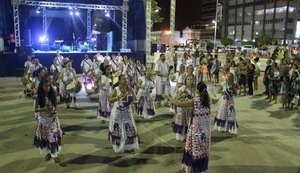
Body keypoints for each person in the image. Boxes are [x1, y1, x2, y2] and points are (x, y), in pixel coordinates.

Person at [163, 81, 218, 173]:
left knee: (194, 149)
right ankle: (201, 169)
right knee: (202, 150)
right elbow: (217, 99)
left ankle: (193, 169)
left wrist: (168, 97)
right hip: (206, 132)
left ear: (197, 90)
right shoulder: (209, 100)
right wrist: (213, 92)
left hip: (196, 131)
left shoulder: (195, 101)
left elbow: (178, 104)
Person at [33, 78, 62, 163]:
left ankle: (55, 154)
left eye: (49, 86)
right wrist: (44, 109)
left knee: (53, 137)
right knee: (45, 138)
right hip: (43, 121)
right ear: (41, 87)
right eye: (45, 86)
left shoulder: (52, 94)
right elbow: (35, 110)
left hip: (52, 120)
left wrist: (55, 112)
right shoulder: (38, 97)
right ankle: (47, 153)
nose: (48, 88)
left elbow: (55, 106)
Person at [108, 75, 139, 153]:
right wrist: (118, 97)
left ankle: (129, 147)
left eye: (126, 79)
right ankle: (118, 145)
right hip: (117, 113)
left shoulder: (130, 89)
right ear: (119, 81)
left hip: (127, 113)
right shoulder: (116, 89)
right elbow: (110, 100)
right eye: (123, 79)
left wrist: (133, 102)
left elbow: (136, 99)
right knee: (118, 129)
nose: (126, 80)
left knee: (129, 129)